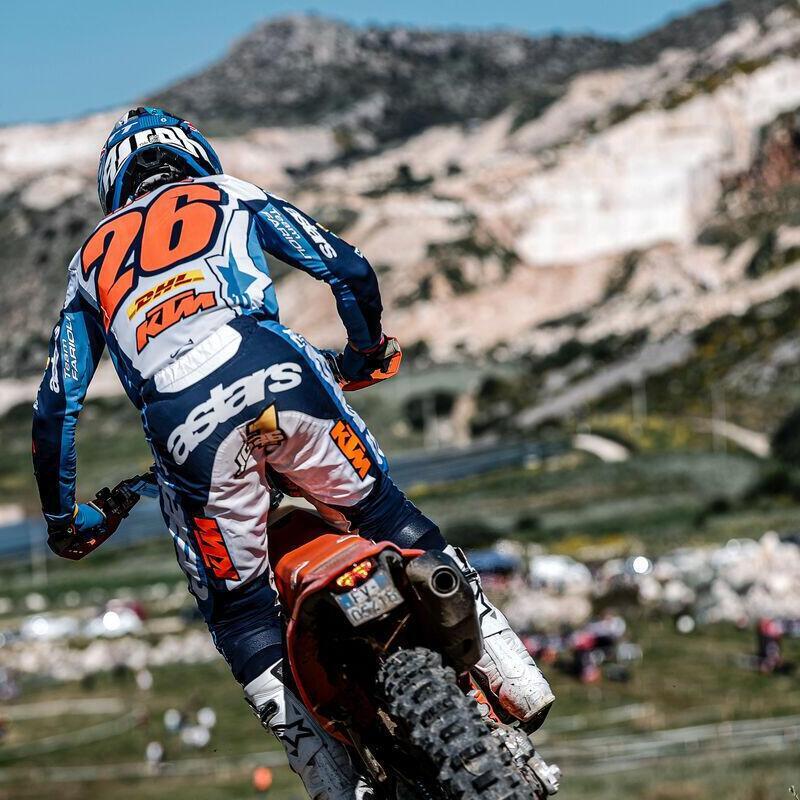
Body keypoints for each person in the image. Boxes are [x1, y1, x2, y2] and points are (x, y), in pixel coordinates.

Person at [32, 107, 554, 799]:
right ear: (194, 155)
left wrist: (64, 521)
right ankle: (509, 669)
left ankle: (328, 775)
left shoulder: (90, 259)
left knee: (242, 612)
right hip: (279, 374)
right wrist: (367, 351)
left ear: (113, 184)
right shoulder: (229, 193)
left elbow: (55, 405)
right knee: (381, 511)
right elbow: (346, 266)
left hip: (187, 427)